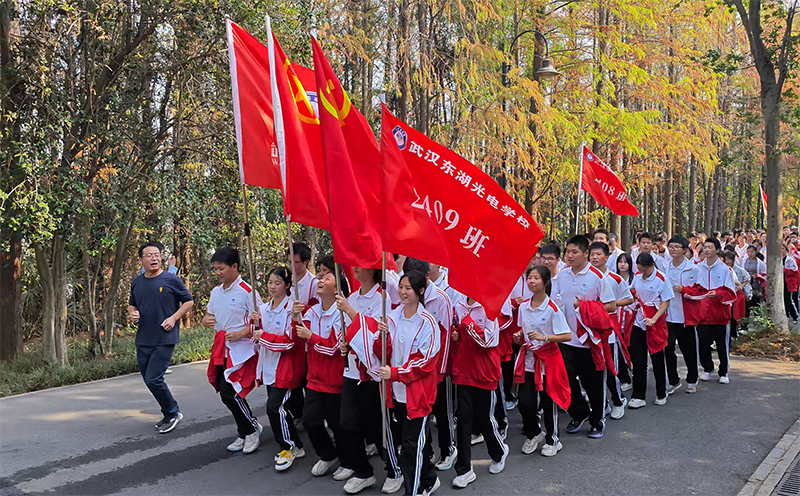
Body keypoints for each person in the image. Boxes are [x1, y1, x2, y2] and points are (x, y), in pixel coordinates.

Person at [363, 271, 441, 496]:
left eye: (408, 288)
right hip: (395, 392)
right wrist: (382, 337)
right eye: (401, 287)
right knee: (414, 443)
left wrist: (396, 372)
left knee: (410, 447)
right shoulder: (393, 317)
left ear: (421, 292)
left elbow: (425, 362)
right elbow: (380, 353)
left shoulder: (428, 323)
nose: (403, 292)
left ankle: (414, 490)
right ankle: (428, 479)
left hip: (418, 394)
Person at [335, 266, 404, 495]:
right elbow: (346, 331)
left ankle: (395, 469)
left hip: (371, 373)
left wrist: (351, 312)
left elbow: (375, 332)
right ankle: (363, 471)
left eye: (361, 264)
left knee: (377, 427)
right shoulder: (352, 297)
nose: (355, 267)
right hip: (351, 371)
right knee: (347, 423)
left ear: (373, 270)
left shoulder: (381, 298)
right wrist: (344, 343)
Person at [127, 241, 194, 434]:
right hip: (143, 339)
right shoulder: (137, 282)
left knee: (154, 379)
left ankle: (172, 412)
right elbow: (133, 304)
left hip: (165, 338)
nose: (154, 258)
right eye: (149, 255)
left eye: (157, 254)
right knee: (149, 380)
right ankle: (170, 411)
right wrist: (133, 314)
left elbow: (188, 302)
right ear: (141, 260)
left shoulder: (171, 279)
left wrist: (174, 318)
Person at [202, 247, 262, 453]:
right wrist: (205, 320)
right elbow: (208, 316)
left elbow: (261, 320)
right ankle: (244, 430)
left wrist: (242, 333)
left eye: (221, 268)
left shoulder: (248, 292)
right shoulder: (216, 292)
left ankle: (252, 429)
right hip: (221, 350)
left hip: (242, 351)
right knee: (225, 392)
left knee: (231, 393)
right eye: (215, 269)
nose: (218, 273)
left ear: (234, 267)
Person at [556, 235, 616, 439]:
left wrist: (586, 307)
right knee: (566, 381)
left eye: (574, 252)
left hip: (589, 340)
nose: (570, 256)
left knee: (593, 383)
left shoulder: (596, 277)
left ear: (585, 254)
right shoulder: (561, 276)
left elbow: (611, 305)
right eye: (567, 252)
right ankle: (579, 413)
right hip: (565, 338)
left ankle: (597, 420)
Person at [449, 292, 509, 488]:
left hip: (484, 372)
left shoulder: (490, 306)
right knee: (464, 422)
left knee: (484, 419)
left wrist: (468, 323)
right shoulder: (458, 304)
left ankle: (499, 452)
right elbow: (460, 335)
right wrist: (457, 334)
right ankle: (464, 470)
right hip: (463, 370)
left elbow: (489, 341)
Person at [402, 258, 457, 472]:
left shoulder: (440, 300)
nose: (408, 287)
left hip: (436, 368)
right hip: (415, 369)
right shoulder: (406, 298)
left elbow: (443, 338)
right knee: (419, 412)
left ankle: (448, 448)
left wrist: (440, 372)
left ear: (427, 278)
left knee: (441, 410)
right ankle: (427, 452)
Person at [293, 272, 347, 477]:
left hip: (334, 379)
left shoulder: (340, 313)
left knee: (337, 424)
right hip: (314, 378)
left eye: (327, 278)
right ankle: (327, 454)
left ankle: (347, 460)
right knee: (310, 420)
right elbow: (298, 337)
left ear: (337, 289)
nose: (321, 280)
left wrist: (311, 337)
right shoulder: (312, 312)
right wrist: (295, 318)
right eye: (321, 277)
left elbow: (333, 347)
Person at [514, 265, 572, 457]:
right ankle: (534, 433)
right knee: (524, 402)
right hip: (529, 359)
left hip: (548, 361)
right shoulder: (523, 306)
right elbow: (525, 328)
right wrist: (519, 334)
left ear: (545, 282)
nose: (532, 281)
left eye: (536, 278)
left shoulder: (552, 308)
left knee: (549, 402)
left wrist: (544, 338)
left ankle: (553, 439)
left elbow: (566, 335)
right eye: (529, 277)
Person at [253, 266, 306, 471]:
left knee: (274, 407)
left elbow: (289, 342)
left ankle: (290, 446)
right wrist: (255, 326)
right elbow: (257, 339)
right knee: (282, 407)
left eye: (277, 283)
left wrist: (263, 337)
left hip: (286, 367)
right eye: (269, 282)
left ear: (287, 285)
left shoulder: (292, 309)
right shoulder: (264, 309)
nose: (272, 286)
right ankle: (292, 442)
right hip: (269, 367)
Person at [589, 242, 633, 420]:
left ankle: (618, 400)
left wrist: (610, 305)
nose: (595, 257)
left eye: (599, 254)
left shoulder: (615, 279)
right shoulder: (586, 277)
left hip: (608, 332)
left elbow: (628, 299)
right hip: (588, 332)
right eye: (592, 254)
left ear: (607, 257)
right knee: (593, 370)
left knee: (610, 368)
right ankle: (602, 403)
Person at [628, 253, 673, 408]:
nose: (643, 273)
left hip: (655, 322)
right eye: (640, 270)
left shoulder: (661, 278)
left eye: (645, 270)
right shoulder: (638, 277)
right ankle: (638, 395)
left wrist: (654, 319)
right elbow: (632, 291)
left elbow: (666, 302)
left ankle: (662, 392)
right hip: (639, 320)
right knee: (638, 359)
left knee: (657, 357)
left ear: (650, 266)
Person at [692, 238, 737, 384]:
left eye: (710, 247)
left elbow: (731, 293)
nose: (706, 250)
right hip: (702, 314)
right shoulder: (697, 268)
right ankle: (707, 368)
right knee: (703, 344)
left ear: (717, 250)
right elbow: (694, 288)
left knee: (722, 345)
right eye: (705, 247)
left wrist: (717, 294)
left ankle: (724, 372)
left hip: (720, 315)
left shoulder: (725, 270)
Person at [665, 236, 699, 394]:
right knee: (668, 349)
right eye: (670, 246)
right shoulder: (665, 267)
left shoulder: (693, 269)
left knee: (688, 350)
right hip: (667, 315)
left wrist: (684, 289)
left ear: (685, 250)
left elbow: (700, 292)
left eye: (676, 246)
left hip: (685, 316)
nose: (672, 249)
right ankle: (673, 380)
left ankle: (692, 379)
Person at [615, 253, 636, 391]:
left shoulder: (635, 279)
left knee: (632, 348)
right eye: (620, 262)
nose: (622, 264)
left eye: (625, 262)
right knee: (619, 350)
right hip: (616, 318)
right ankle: (624, 378)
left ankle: (635, 370)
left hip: (631, 318)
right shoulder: (613, 279)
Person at [783, 245, 799, 323]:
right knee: (783, 299)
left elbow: (795, 270)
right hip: (781, 282)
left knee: (788, 299)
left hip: (788, 282)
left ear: (786, 250)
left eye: (783, 249)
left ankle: (795, 316)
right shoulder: (778, 259)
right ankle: (786, 315)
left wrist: (785, 270)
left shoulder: (790, 260)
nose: (781, 251)